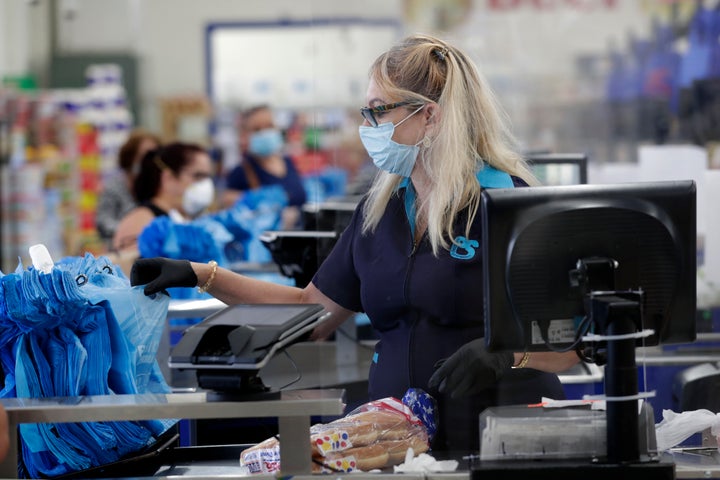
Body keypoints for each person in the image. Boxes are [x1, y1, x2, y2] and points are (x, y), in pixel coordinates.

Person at [130, 34, 579, 452]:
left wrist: (508, 355)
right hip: (396, 443)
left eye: (379, 111)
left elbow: (572, 343)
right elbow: (312, 313)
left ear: (429, 114)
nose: (369, 125)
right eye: (367, 112)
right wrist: (201, 274)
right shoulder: (381, 210)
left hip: (502, 437)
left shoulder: (505, 202)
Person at [112, 142, 215, 253]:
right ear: (169, 177)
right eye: (198, 176)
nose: (206, 185)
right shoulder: (141, 221)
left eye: (208, 177)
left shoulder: (187, 218)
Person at [220, 104, 306, 229]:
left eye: (269, 126)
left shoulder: (289, 162)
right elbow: (228, 208)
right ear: (246, 135)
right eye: (257, 129)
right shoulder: (241, 172)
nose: (265, 133)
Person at [95, 130, 161, 242]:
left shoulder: (157, 187)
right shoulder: (114, 187)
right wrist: (133, 231)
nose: (148, 162)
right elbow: (103, 222)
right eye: (143, 156)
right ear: (130, 158)